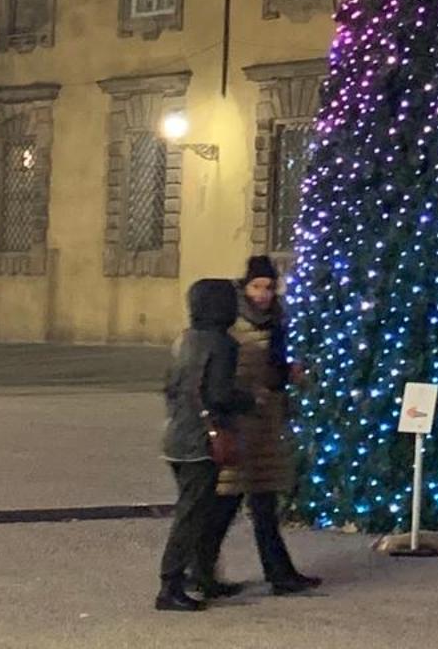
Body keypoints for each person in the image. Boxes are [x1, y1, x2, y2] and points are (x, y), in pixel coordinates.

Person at [207, 255, 321, 597]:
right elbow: (226, 375)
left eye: (269, 287)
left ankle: (280, 573)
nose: (264, 294)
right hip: (241, 425)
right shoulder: (232, 325)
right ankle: (197, 571)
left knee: (263, 505)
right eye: (257, 286)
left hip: (267, 424)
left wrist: (289, 375)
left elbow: (273, 367)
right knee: (226, 504)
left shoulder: (277, 323)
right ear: (246, 286)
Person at [158, 277, 254, 611]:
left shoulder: (185, 339)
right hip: (203, 438)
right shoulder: (223, 344)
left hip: (176, 433)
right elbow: (219, 394)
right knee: (193, 513)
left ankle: (202, 575)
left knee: (199, 509)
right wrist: (248, 400)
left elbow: (171, 386)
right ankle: (171, 583)